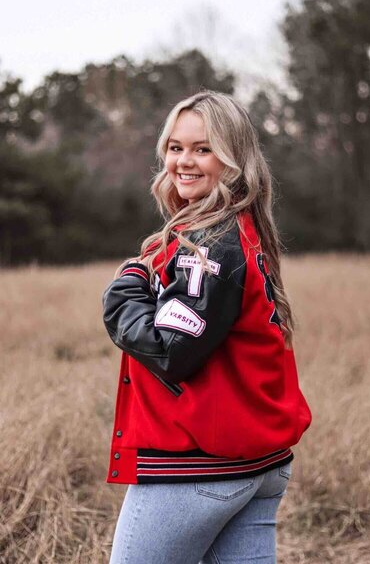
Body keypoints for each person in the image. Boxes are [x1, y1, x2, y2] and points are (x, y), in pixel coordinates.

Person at [102, 90, 312, 564]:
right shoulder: (240, 227)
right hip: (257, 463)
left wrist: (126, 286)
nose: (184, 161)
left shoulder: (211, 243)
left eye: (203, 148)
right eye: (175, 148)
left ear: (234, 158)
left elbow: (170, 352)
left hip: (200, 466)